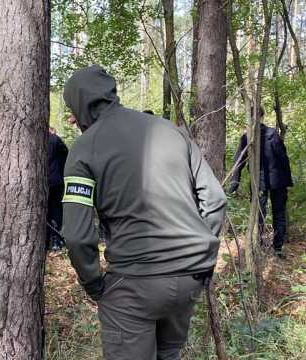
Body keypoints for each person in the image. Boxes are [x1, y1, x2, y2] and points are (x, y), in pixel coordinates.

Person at [61, 65, 227, 360]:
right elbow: (214, 199)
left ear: (81, 103)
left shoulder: (84, 148)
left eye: (73, 109)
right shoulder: (170, 131)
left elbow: (76, 234)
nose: (72, 119)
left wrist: (93, 283)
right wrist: (200, 257)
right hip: (190, 276)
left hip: (133, 284)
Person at [229, 107, 293, 259]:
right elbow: (283, 159)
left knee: (259, 213)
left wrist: (233, 185)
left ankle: (260, 245)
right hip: (277, 181)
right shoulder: (272, 135)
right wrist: (287, 181)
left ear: (250, 117)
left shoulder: (248, 137)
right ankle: (277, 249)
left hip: (261, 181)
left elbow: (238, 163)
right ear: (262, 116)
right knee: (278, 214)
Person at [47, 127, 68, 251]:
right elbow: (66, 156)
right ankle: (56, 240)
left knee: (51, 211)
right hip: (55, 181)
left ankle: (53, 240)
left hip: (51, 182)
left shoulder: (51, 140)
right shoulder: (55, 140)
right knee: (56, 211)